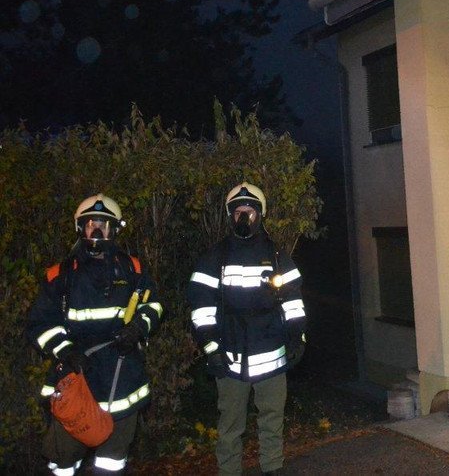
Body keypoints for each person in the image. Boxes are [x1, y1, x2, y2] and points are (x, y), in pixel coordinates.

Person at [26, 194, 163, 476]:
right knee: (64, 460)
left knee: (111, 462)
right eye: (91, 225)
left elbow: (154, 304)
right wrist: (66, 351)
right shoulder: (60, 275)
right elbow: (40, 322)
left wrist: (138, 327)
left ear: (114, 230)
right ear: (81, 228)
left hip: (122, 377)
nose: (97, 231)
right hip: (76, 378)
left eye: (103, 225)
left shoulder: (133, 269)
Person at [187, 182, 306, 476]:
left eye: (249, 211)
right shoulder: (215, 258)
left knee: (272, 419)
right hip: (230, 357)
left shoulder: (277, 256)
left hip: (271, 354)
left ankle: (272, 468)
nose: (244, 217)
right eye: (238, 211)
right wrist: (211, 349)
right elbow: (201, 309)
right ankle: (229, 471)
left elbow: (294, 303)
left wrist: (297, 338)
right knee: (230, 425)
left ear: (259, 215)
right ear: (230, 215)